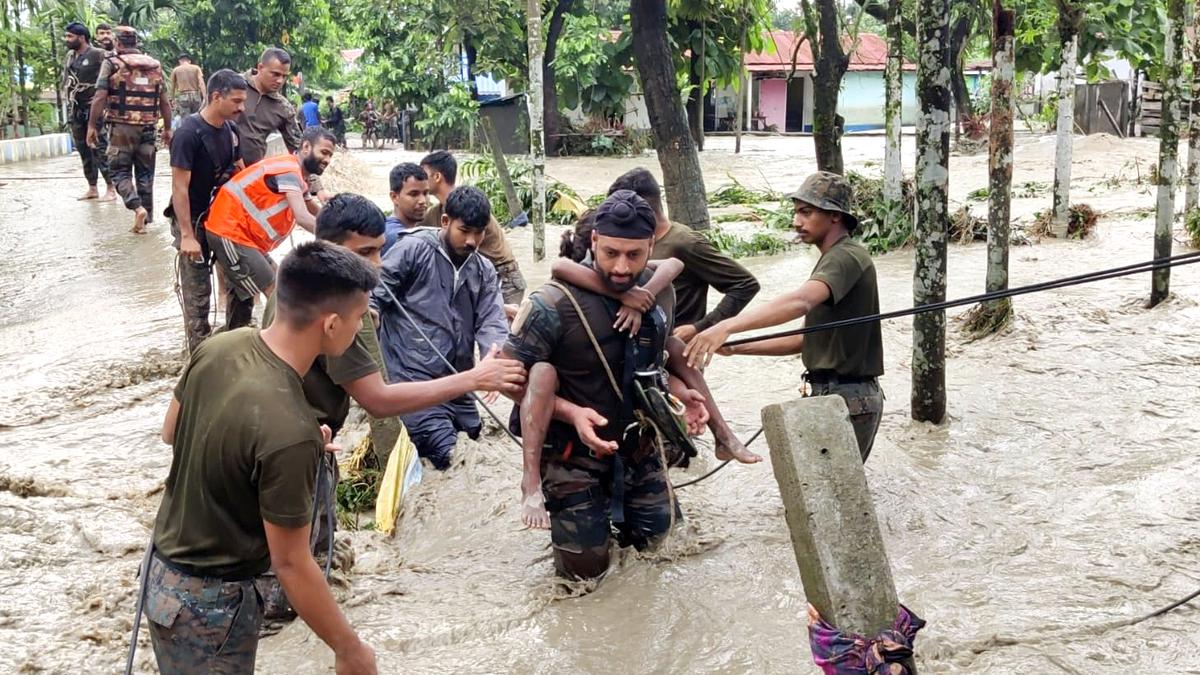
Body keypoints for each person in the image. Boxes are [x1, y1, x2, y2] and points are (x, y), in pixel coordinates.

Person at [146, 241, 378, 674]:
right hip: (213, 606)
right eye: (360, 316)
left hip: (162, 579)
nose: (364, 324)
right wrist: (350, 650)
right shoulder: (290, 431)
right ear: (330, 325)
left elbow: (172, 432)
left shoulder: (222, 346)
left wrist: (272, 455)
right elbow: (290, 563)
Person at [503, 191, 713, 580]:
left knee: (671, 554)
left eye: (633, 255)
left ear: (651, 245)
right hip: (572, 459)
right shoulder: (552, 303)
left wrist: (683, 394)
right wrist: (572, 412)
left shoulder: (658, 292)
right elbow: (508, 380)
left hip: (640, 451)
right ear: (594, 241)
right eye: (611, 253)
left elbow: (654, 365)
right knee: (583, 583)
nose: (621, 266)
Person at [686, 171, 885, 461]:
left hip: (848, 397)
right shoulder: (832, 260)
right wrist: (736, 347)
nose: (796, 222)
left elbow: (801, 301)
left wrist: (726, 326)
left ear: (835, 216)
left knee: (832, 496)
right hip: (834, 394)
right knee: (821, 494)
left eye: (806, 212)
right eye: (795, 213)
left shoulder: (846, 257)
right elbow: (802, 341)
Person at [371, 186, 508, 470]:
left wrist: (494, 355)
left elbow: (492, 319)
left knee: (474, 439)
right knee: (449, 457)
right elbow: (373, 296)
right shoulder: (413, 249)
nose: (472, 240)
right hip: (413, 382)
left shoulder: (484, 269)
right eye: (465, 230)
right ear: (445, 222)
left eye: (479, 232)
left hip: (458, 382)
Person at [607, 168, 760, 345]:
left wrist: (700, 327)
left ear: (644, 209)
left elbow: (745, 284)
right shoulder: (625, 245)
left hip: (675, 350)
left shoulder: (685, 243)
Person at [202, 126, 335, 329]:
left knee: (248, 296)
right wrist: (336, 239)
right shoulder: (288, 171)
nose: (327, 160)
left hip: (245, 237)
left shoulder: (297, 175)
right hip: (230, 231)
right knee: (277, 292)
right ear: (306, 146)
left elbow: (313, 209)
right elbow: (302, 216)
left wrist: (342, 225)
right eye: (324, 152)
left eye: (330, 155)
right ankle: (281, 346)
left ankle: (237, 341)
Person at [168, 69, 248, 353]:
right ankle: (199, 359)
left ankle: (237, 346)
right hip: (193, 219)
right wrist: (188, 235)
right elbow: (179, 189)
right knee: (198, 295)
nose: (242, 107)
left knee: (243, 282)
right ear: (216, 96)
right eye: (237, 101)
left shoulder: (232, 131)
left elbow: (240, 174)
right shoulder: (187, 134)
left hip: (224, 218)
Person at [86, 25, 172, 234]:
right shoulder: (154, 66)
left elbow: (99, 96)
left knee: (119, 171)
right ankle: (146, 219)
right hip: (149, 127)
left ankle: (137, 207)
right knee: (145, 174)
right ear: (136, 42)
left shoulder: (112, 63)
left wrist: (91, 125)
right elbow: (164, 101)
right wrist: (168, 128)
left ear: (118, 42)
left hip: (121, 128)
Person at [419, 150, 527, 304]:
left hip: (504, 279)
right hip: (479, 278)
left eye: (423, 175)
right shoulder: (438, 211)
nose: (420, 180)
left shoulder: (469, 206)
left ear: (437, 177)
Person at [61, 22, 115, 202]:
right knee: (83, 149)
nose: (66, 40)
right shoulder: (70, 56)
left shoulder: (98, 54)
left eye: (70, 36)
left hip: (95, 110)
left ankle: (110, 187)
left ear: (81, 37)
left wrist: (106, 101)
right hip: (76, 109)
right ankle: (92, 187)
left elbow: (113, 76)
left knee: (100, 148)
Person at [236, 48, 302, 166]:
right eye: (275, 74)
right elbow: (203, 119)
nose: (280, 80)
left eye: (284, 76)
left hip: (249, 176)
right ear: (260, 67)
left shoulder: (283, 108)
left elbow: (300, 151)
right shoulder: (233, 84)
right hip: (213, 169)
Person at [382, 162, 428, 253]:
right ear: (394, 197)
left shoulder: (385, 227)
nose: (423, 201)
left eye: (426, 193)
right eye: (414, 194)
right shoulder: (399, 238)